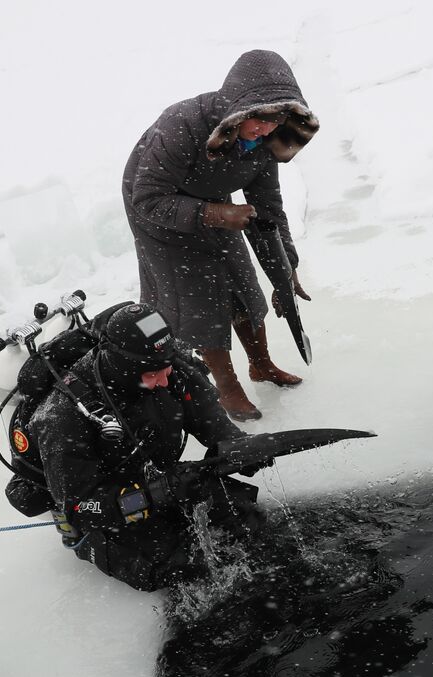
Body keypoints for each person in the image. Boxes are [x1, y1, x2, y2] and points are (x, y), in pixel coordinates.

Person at [122, 49, 320, 422]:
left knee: (239, 280)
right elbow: (147, 198)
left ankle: (261, 365)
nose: (265, 129)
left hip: (213, 200)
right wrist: (212, 213)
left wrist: (286, 268)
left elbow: (268, 211)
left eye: (275, 121)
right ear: (238, 109)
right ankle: (227, 388)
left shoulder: (263, 143)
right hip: (155, 208)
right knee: (200, 298)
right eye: (258, 120)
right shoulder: (180, 126)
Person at [23, 302, 262, 592]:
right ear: (124, 367)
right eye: (152, 374)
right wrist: (157, 494)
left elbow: (212, 422)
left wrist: (240, 448)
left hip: (157, 478)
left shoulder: (167, 367)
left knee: (247, 518)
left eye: (167, 368)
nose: (164, 380)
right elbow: (81, 507)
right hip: (108, 512)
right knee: (178, 566)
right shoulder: (63, 416)